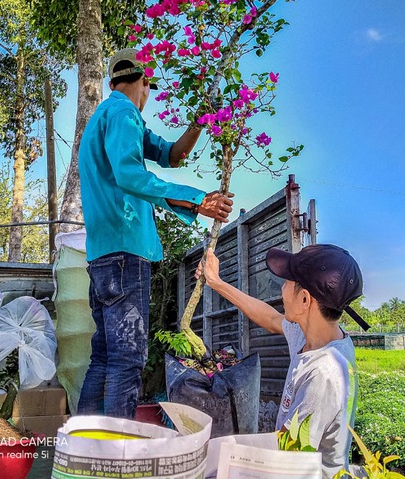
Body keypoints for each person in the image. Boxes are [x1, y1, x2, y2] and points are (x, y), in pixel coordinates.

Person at [77, 48, 234, 419]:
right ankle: (116, 457)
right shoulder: (123, 113)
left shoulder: (108, 116)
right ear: (144, 82)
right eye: (150, 87)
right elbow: (130, 175)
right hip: (125, 252)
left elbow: (172, 154)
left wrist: (199, 122)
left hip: (102, 256)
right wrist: (198, 201)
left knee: (105, 357)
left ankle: (84, 454)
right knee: (128, 359)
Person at [198, 244, 363, 478]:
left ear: (305, 299)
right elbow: (271, 318)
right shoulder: (315, 333)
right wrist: (216, 282)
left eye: (287, 282)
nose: (282, 289)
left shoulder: (324, 373)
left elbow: (288, 455)